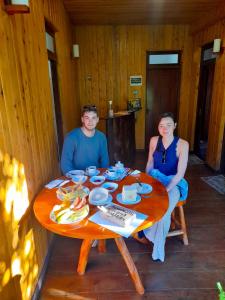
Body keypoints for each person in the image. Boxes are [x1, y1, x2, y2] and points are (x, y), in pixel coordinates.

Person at [135, 112, 189, 262]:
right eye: (161, 126)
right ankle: (154, 238)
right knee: (141, 199)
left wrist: (167, 189)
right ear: (158, 127)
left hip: (174, 183)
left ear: (175, 126)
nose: (165, 129)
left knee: (164, 208)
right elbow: (150, 163)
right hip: (155, 180)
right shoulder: (154, 140)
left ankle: (157, 246)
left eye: (168, 125)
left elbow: (180, 174)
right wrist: (147, 181)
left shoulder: (183, 144)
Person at [61, 104, 109, 174]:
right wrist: (76, 178)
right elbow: (65, 165)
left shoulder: (101, 137)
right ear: (82, 119)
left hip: (96, 176)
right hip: (77, 178)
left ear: (97, 119)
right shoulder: (71, 137)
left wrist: (102, 175)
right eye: (87, 118)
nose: (90, 121)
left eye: (93, 118)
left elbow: (105, 160)